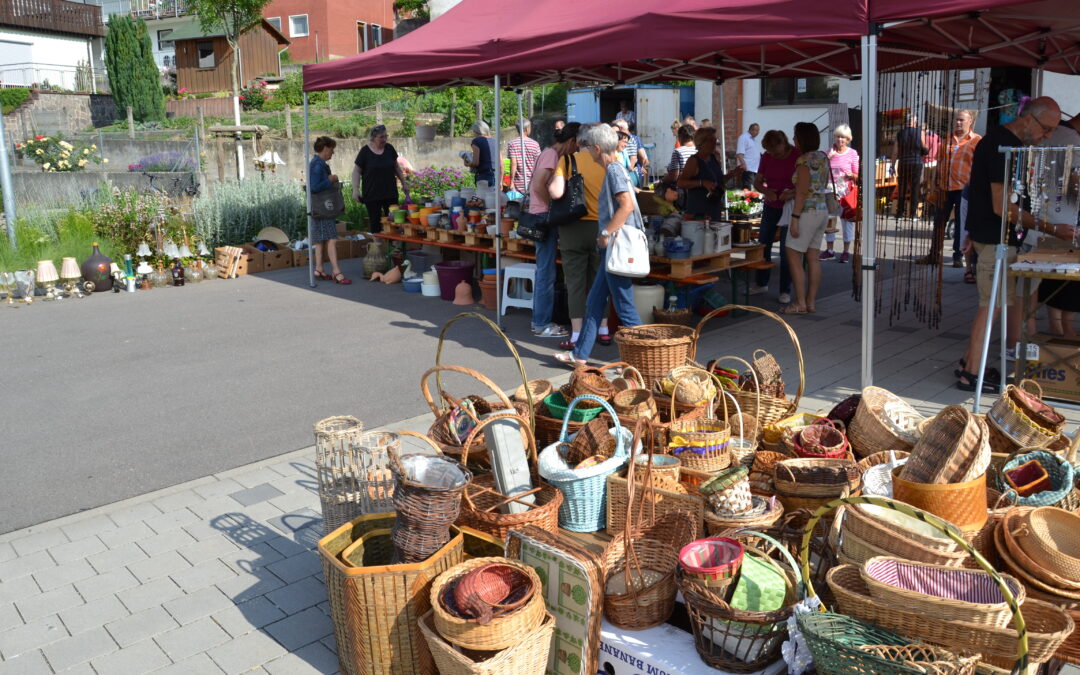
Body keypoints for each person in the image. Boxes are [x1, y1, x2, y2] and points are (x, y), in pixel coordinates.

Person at [956, 96, 1067, 392]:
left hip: (995, 236)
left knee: (994, 303)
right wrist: (1052, 228)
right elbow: (1001, 206)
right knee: (989, 306)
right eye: (1046, 129)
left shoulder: (1008, 144)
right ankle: (972, 375)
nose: (1048, 136)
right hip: (995, 239)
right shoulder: (1000, 146)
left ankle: (969, 362)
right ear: (1029, 118)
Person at [555, 123, 643, 365]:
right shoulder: (617, 168)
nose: (586, 153)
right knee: (594, 301)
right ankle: (579, 355)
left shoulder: (613, 170)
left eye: (587, 148)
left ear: (596, 148)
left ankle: (651, 355)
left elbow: (625, 206)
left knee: (625, 308)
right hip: (611, 250)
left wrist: (605, 232)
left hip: (615, 247)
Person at [553, 123, 610, 351]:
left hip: (573, 228)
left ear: (579, 141)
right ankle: (603, 330)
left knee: (575, 282)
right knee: (600, 281)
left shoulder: (567, 161)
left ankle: (576, 335)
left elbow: (556, 192)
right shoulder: (606, 162)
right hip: (602, 228)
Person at [526, 122, 581, 339]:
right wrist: (552, 208)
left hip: (542, 215)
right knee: (546, 272)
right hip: (543, 216)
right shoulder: (550, 155)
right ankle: (541, 323)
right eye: (577, 146)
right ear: (572, 141)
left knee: (546, 270)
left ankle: (541, 321)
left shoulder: (551, 154)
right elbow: (539, 184)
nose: (577, 151)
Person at [1035, 113, 1080, 336]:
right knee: (1063, 273)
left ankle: (1062, 324)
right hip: (1060, 218)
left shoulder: (1062, 134)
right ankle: (1060, 325)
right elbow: (1076, 181)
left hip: (1053, 214)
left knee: (1063, 274)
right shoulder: (1070, 137)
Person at [782, 122, 833, 315]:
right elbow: (819, 185)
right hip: (821, 210)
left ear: (802, 138)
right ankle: (810, 302)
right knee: (813, 258)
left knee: (793, 255)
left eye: (795, 136)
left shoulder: (803, 160)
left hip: (806, 212)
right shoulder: (823, 157)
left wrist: (794, 217)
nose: (793, 139)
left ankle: (800, 302)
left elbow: (803, 191)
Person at [921, 109, 981, 266]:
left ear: (970, 122)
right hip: (944, 187)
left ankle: (957, 256)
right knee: (939, 221)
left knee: (961, 224)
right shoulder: (947, 140)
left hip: (964, 188)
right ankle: (934, 255)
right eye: (956, 120)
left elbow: (979, 167)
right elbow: (939, 161)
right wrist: (934, 183)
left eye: (962, 120)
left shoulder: (976, 141)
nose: (958, 123)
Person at [751, 130, 800, 303]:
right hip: (771, 205)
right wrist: (765, 191)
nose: (773, 154)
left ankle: (785, 291)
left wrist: (791, 193)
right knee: (763, 243)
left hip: (789, 206)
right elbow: (757, 181)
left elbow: (804, 183)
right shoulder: (767, 157)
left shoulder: (796, 155)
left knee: (786, 250)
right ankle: (761, 282)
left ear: (783, 143)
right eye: (770, 151)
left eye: (775, 151)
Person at [352, 124, 410, 235]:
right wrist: (355, 189)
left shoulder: (389, 149)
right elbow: (356, 171)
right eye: (381, 137)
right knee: (376, 224)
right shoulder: (365, 152)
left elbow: (396, 167)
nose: (384, 139)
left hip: (390, 192)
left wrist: (404, 182)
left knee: (395, 222)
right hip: (372, 194)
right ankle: (379, 249)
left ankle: (394, 249)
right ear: (373, 138)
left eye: (385, 136)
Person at [309, 136, 349, 284]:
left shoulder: (315, 163)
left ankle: (319, 268)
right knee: (331, 239)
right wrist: (330, 180)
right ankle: (336, 272)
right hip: (324, 207)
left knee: (319, 240)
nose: (332, 153)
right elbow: (314, 187)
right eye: (331, 150)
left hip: (318, 208)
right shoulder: (318, 165)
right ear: (325, 149)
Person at [821, 124, 860, 263]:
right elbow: (820, 171)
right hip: (830, 189)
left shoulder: (852, 153)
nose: (840, 139)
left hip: (845, 191)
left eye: (843, 137)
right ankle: (830, 250)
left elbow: (857, 174)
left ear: (848, 139)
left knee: (846, 221)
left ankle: (845, 251)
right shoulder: (827, 152)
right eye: (838, 136)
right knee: (830, 220)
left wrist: (852, 175)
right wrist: (828, 157)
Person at [677, 127, 730, 221]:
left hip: (714, 210)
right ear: (702, 142)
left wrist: (732, 175)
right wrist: (702, 183)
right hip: (698, 213)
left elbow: (719, 180)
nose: (715, 143)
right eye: (712, 140)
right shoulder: (693, 161)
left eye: (715, 140)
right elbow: (681, 183)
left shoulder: (713, 158)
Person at [892, 114, 929, 218]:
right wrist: (925, 151)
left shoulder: (900, 134)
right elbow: (924, 147)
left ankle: (899, 213)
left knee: (902, 188)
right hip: (916, 163)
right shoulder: (920, 132)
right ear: (915, 122)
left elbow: (895, 151)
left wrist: (892, 165)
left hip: (903, 163)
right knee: (915, 188)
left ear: (906, 122)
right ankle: (913, 214)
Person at [507, 119, 542, 198]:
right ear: (527, 129)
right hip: (533, 183)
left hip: (518, 184)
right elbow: (539, 164)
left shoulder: (512, 144)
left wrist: (511, 182)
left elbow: (513, 164)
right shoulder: (535, 144)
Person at [465, 121, 500, 188]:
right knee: (493, 197)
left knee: (483, 197)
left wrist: (466, 163)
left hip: (484, 175)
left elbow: (475, 163)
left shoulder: (477, 141)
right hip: (496, 175)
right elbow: (501, 163)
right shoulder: (495, 141)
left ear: (476, 131)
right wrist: (501, 180)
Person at [736, 123, 761, 190]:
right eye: (756, 130)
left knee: (753, 189)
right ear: (751, 130)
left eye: (758, 131)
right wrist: (743, 164)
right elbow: (739, 153)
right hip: (747, 168)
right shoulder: (744, 138)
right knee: (748, 188)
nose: (758, 132)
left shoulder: (754, 139)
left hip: (754, 168)